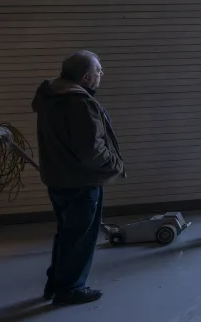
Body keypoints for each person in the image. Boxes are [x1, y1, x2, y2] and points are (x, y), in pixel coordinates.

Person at [32, 50, 124, 306]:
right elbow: (91, 151)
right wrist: (115, 164)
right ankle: (70, 289)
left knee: (66, 234)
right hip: (81, 182)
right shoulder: (81, 104)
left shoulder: (49, 97)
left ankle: (55, 284)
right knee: (81, 238)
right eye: (98, 71)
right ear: (85, 77)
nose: (101, 75)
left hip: (57, 179)